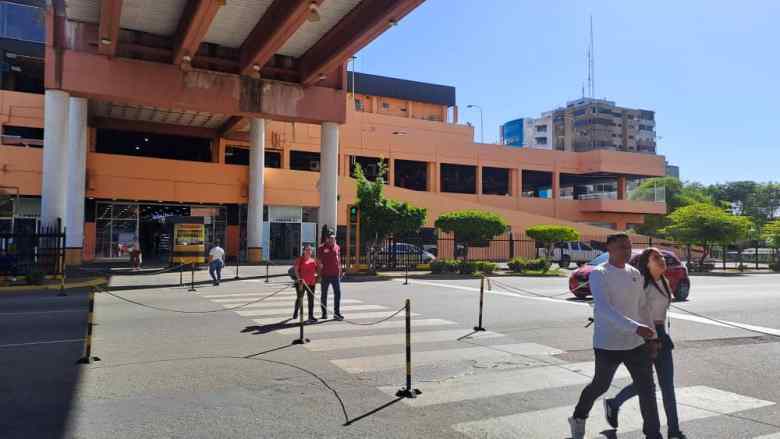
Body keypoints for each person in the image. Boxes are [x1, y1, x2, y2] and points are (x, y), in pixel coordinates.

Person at [569, 233, 662, 439]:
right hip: (608, 344)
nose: (626, 251)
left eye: (628, 247)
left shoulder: (634, 273)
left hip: (636, 344)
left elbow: (643, 307)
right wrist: (635, 327)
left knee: (647, 389)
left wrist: (653, 337)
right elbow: (604, 308)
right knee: (600, 385)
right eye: (621, 247)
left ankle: (653, 434)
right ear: (609, 249)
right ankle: (579, 417)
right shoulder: (599, 273)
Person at [605, 248, 687, 439]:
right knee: (645, 385)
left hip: (662, 335)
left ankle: (674, 431)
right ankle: (615, 404)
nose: (662, 260)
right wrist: (649, 337)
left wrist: (660, 335)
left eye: (662, 257)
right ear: (646, 263)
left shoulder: (664, 282)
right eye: (656, 258)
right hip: (644, 337)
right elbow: (634, 312)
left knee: (667, 386)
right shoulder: (641, 283)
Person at [317, 231, 343, 321]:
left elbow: (338, 259)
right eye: (331, 238)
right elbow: (319, 262)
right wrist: (319, 275)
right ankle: (324, 313)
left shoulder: (337, 247)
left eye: (334, 238)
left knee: (338, 294)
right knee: (324, 295)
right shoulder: (321, 248)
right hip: (325, 275)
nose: (332, 240)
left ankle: (337, 313)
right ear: (327, 239)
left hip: (335, 275)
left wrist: (340, 270)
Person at [293, 244, 318, 323]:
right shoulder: (300, 259)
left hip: (311, 283)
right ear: (304, 251)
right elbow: (296, 270)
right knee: (300, 298)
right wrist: (299, 279)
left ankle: (311, 316)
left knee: (311, 300)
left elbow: (316, 270)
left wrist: (316, 275)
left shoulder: (313, 260)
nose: (309, 251)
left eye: (310, 250)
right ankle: (296, 311)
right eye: (307, 250)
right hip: (301, 283)